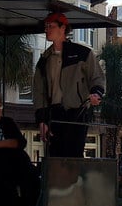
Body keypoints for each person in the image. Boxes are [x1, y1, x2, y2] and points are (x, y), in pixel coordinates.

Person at [33, 11, 105, 158]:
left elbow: (96, 77)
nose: (47, 30)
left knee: (73, 156)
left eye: (50, 26)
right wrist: (41, 120)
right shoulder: (44, 59)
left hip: (76, 111)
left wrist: (96, 93)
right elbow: (39, 91)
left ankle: (72, 181)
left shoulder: (82, 53)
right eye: (46, 26)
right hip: (54, 113)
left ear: (63, 28)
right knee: (54, 157)